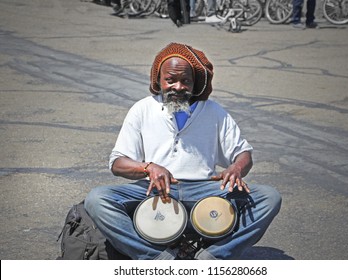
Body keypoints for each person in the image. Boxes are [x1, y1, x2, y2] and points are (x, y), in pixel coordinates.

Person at [84, 42, 282, 260]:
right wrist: (148, 167)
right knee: (97, 199)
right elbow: (117, 163)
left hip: (206, 190)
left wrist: (236, 167)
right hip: (156, 190)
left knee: (269, 197)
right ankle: (157, 259)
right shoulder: (142, 109)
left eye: (185, 81)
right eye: (170, 80)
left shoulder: (214, 112)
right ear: (158, 80)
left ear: (194, 83)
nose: (178, 87)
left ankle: (214, 256)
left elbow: (243, 153)